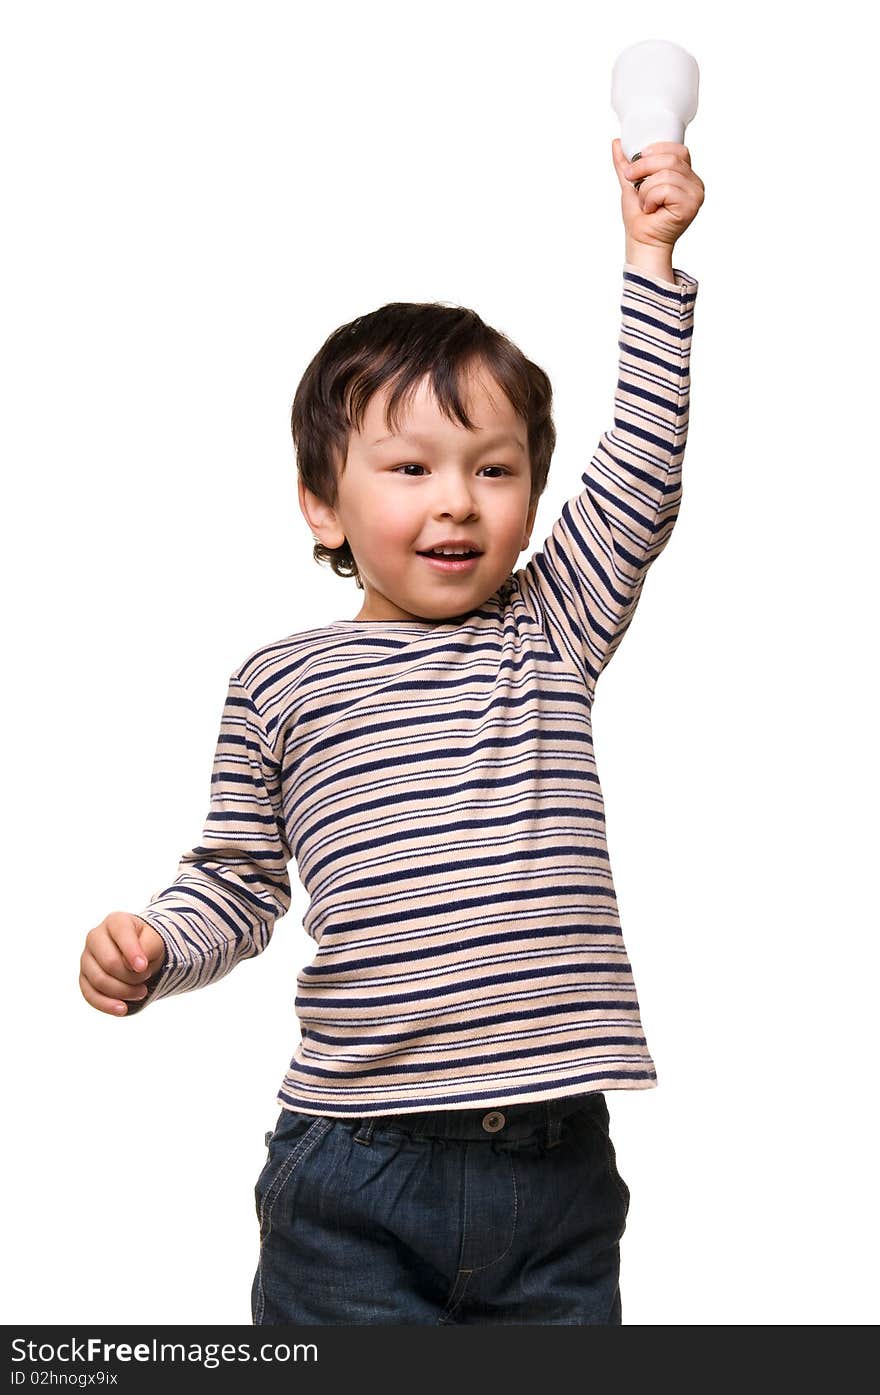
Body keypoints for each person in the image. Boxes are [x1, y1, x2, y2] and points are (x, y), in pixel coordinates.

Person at [79, 138, 704, 1325]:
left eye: (495, 468)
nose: (456, 500)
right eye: (410, 467)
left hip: (555, 1170)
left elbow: (642, 474)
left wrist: (651, 260)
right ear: (324, 501)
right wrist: (158, 946)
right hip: (354, 1172)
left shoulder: (550, 629)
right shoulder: (281, 681)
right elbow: (237, 880)